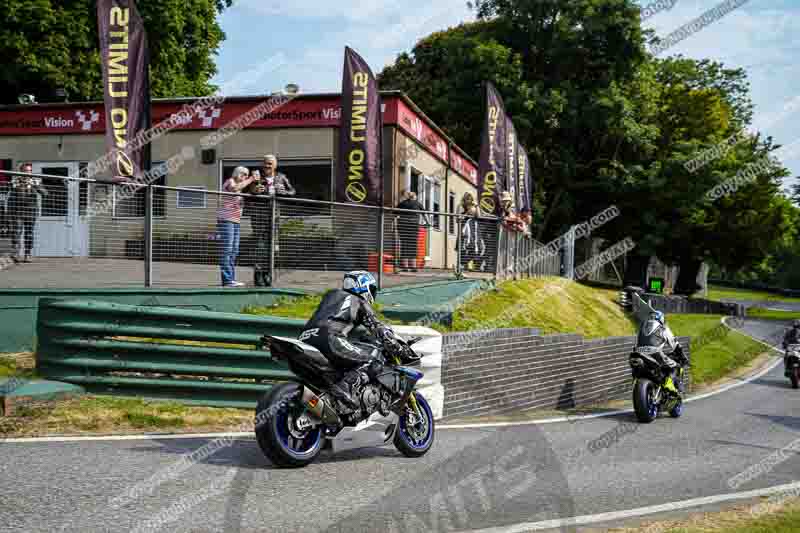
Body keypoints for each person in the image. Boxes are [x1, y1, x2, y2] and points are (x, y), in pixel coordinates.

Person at [299, 271, 405, 410]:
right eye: (371, 289)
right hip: (330, 337)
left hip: (305, 337)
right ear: (363, 287)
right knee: (372, 360)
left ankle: (329, 400)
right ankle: (344, 389)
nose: (372, 294)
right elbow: (379, 329)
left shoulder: (331, 295)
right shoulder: (359, 301)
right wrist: (399, 348)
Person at [244, 155, 296, 286]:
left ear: (275, 165)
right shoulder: (256, 177)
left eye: (270, 163)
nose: (267, 166)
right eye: (265, 163)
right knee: (259, 246)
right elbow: (245, 194)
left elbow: (293, 192)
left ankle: (268, 274)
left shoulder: (281, 177)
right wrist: (253, 191)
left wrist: (283, 192)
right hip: (258, 216)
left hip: (274, 216)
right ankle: (258, 276)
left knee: (272, 247)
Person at [217, 166, 255, 287]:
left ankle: (231, 279)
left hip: (236, 221)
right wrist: (251, 179)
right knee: (227, 250)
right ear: (237, 173)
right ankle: (227, 280)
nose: (245, 176)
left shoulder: (240, 190)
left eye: (247, 174)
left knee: (234, 251)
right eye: (243, 174)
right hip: (226, 220)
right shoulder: (230, 181)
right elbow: (233, 189)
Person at [636, 310, 689, 392]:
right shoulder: (663, 328)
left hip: (638, 353)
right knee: (675, 367)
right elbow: (675, 345)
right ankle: (669, 384)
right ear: (661, 319)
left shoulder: (642, 327)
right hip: (654, 353)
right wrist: (683, 357)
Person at [8, 162, 48, 263]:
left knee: (29, 234)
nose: (28, 173)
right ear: (21, 172)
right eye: (26, 171)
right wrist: (9, 212)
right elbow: (10, 198)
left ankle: (27, 254)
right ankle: (15, 254)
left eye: (29, 171)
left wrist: (36, 186)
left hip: (31, 212)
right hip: (18, 212)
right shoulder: (15, 181)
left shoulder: (35, 181)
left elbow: (45, 194)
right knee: (16, 232)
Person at [395, 190, 427, 272]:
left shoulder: (402, 203)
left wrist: (393, 223)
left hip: (403, 226)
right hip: (413, 226)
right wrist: (428, 223)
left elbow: (395, 213)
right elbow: (424, 213)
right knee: (413, 245)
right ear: (414, 197)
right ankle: (413, 266)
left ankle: (405, 266)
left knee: (404, 245)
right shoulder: (417, 203)